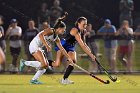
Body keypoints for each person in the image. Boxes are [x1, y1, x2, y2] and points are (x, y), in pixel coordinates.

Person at [19, 20, 74, 84]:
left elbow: (62, 49)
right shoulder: (51, 30)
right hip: (34, 45)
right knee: (44, 64)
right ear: (59, 28)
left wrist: (69, 58)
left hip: (38, 47)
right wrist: (46, 45)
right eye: (63, 29)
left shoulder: (56, 38)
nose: (64, 31)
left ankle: (33, 80)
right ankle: (24, 62)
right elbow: (41, 35)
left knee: (45, 66)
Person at [53, 17, 96, 84]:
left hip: (70, 47)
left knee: (73, 61)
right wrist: (90, 55)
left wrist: (91, 53)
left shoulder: (83, 31)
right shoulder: (75, 30)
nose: (85, 26)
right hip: (63, 45)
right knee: (57, 64)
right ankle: (43, 64)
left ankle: (64, 79)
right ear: (78, 23)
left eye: (86, 24)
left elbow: (84, 43)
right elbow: (82, 45)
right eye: (83, 24)